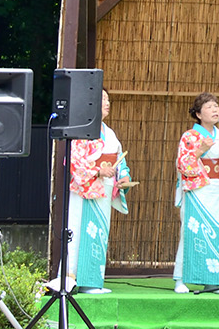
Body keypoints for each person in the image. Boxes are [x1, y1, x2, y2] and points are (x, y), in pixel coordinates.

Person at [58, 90, 135, 294]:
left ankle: (91, 280)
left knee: (99, 233)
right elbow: (74, 160)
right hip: (85, 189)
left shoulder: (109, 132)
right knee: (78, 231)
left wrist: (123, 176)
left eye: (108, 99)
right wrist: (98, 170)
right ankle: (71, 279)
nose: (107, 103)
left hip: (104, 187)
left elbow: (119, 158)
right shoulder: (82, 130)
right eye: (102, 99)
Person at [173, 93, 219, 294]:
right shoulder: (189, 136)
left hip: (217, 189)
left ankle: (213, 280)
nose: (215, 109)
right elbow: (182, 165)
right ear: (198, 113)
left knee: (217, 232)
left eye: (216, 106)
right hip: (197, 190)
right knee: (191, 232)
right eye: (209, 106)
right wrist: (199, 150)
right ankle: (181, 279)